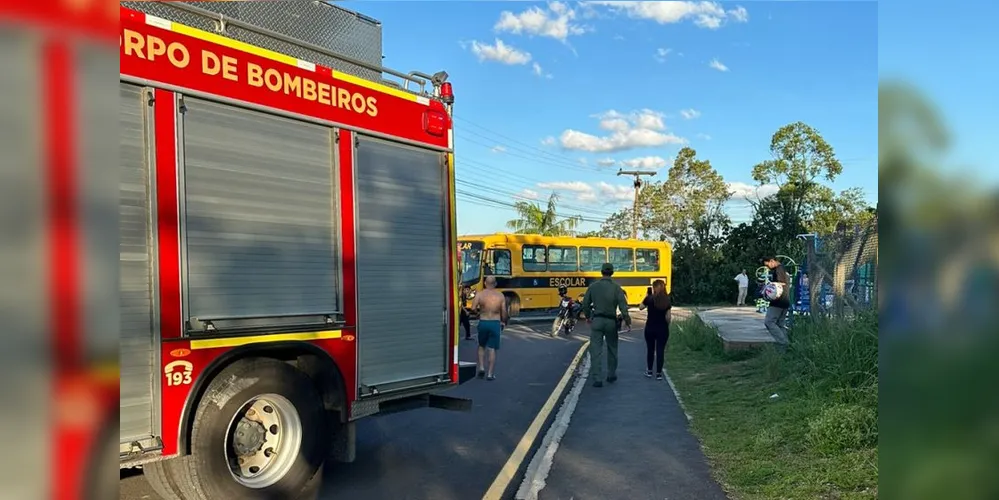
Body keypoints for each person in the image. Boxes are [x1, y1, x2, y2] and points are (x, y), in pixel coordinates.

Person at [581, 263, 632, 388]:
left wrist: (588, 317)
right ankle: (611, 375)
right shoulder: (616, 288)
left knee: (596, 350)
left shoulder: (593, 287)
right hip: (611, 322)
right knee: (612, 349)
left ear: (601, 272)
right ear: (612, 273)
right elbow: (623, 306)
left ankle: (597, 378)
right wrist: (627, 321)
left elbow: (585, 304)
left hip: (597, 320)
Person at [471, 276, 507, 380]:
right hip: (495, 322)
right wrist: (503, 321)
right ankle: (490, 374)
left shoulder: (480, 294)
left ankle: (481, 367)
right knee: (492, 349)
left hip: (483, 321)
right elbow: (503, 311)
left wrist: (478, 313)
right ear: (495, 284)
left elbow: (473, 308)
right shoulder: (500, 296)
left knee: (481, 346)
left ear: (485, 283)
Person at [639, 279, 671, 380]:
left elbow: (640, 307)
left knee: (650, 349)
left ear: (654, 288)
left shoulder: (649, 298)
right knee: (660, 350)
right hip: (662, 328)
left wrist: (647, 295)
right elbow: (668, 317)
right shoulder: (667, 300)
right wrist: (666, 325)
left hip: (650, 328)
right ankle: (659, 374)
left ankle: (649, 371)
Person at [761, 256, 791, 348]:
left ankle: (783, 342)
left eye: (768, 265)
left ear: (772, 261)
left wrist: (769, 287)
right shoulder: (783, 268)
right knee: (780, 324)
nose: (768, 267)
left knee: (769, 322)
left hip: (778, 302)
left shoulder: (778, 269)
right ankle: (786, 348)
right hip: (785, 300)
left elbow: (781, 283)